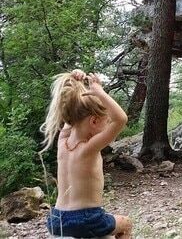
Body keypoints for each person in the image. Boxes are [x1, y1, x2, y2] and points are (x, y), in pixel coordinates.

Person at [40, 69, 132, 238]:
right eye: (106, 121)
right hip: (86, 219)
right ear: (94, 121)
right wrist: (99, 92)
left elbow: (74, 114)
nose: (108, 124)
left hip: (57, 220)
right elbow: (121, 119)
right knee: (125, 224)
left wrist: (77, 83)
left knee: (106, 232)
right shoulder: (89, 148)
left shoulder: (63, 142)